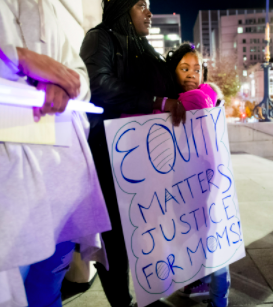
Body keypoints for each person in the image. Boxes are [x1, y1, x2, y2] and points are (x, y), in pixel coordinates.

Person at [0, 1, 111, 306]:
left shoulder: (49, 7)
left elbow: (79, 75)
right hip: (6, 189)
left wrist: (66, 82)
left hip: (62, 184)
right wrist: (15, 58)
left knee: (47, 290)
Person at [80, 0, 185, 306]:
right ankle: (122, 303)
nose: (149, 13)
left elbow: (169, 86)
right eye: (141, 5)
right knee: (115, 240)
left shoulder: (145, 48)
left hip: (148, 160)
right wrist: (155, 101)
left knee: (146, 233)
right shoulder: (101, 38)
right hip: (111, 157)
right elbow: (97, 84)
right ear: (123, 7)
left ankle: (149, 298)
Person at [165, 43, 230, 307]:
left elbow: (157, 116)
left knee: (211, 244)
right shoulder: (206, 95)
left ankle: (218, 299)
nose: (192, 74)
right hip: (200, 182)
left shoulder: (195, 98)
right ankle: (212, 293)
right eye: (184, 68)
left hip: (200, 184)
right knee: (211, 241)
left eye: (196, 69)